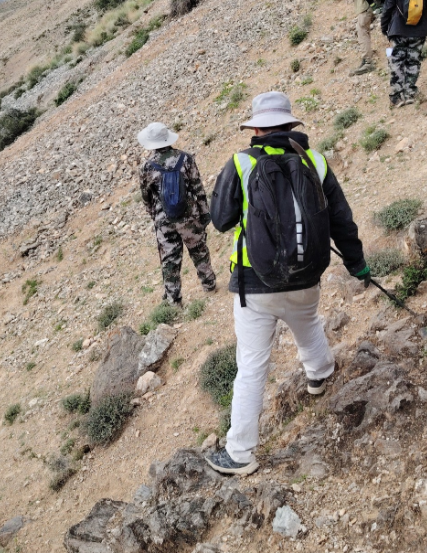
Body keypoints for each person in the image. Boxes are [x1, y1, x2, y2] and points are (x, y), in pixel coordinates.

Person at [204, 92, 372, 475]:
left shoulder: (242, 163)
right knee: (307, 324)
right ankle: (320, 374)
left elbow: (221, 220)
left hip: (255, 283)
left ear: (256, 129)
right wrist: (357, 265)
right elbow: (341, 220)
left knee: (251, 365)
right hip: (307, 275)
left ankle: (240, 454)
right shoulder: (315, 160)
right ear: (291, 125)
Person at [137, 122, 216, 306]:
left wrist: (155, 217)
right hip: (189, 216)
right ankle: (209, 285)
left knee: (169, 260)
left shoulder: (146, 167)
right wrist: (204, 213)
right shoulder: (186, 158)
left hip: (164, 220)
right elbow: (198, 188)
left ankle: (174, 300)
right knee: (199, 250)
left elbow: (146, 198)